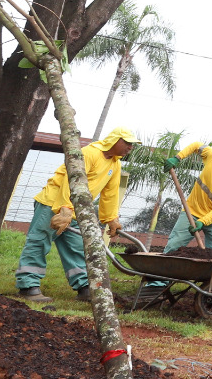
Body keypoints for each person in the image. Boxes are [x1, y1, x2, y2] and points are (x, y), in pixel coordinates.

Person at [16, 127, 134, 303]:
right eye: (127, 143)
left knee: (76, 247)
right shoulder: (89, 153)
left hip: (74, 209)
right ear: (115, 140)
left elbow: (110, 193)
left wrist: (111, 219)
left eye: (132, 145)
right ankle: (28, 285)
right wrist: (64, 208)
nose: (130, 148)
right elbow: (69, 180)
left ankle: (84, 286)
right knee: (39, 241)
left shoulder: (115, 164)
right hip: (52, 204)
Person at [136, 142, 212, 302]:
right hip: (191, 210)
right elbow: (197, 145)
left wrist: (203, 221)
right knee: (174, 246)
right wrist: (177, 158)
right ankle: (157, 283)